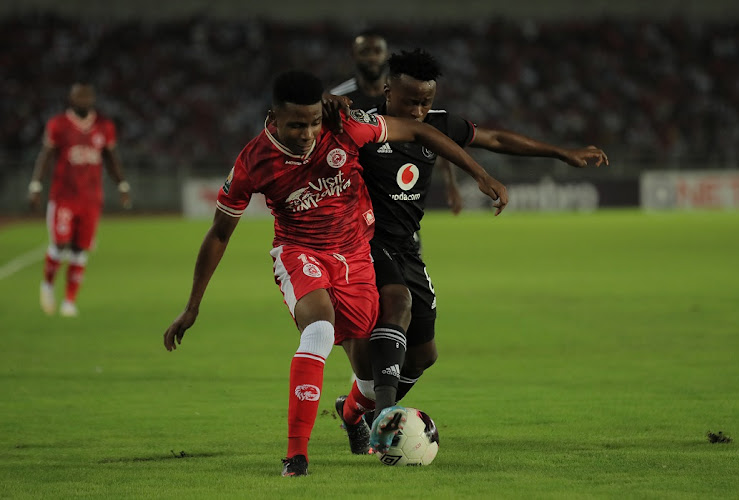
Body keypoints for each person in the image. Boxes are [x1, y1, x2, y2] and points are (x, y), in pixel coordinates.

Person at [162, 70, 508, 477]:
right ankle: (296, 455)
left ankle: (350, 412)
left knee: (366, 373)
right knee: (320, 329)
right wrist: (192, 306)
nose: (307, 132)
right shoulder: (253, 162)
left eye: (312, 121)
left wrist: (480, 174)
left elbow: (416, 130)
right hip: (300, 253)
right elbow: (220, 233)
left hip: (356, 257)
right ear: (273, 116)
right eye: (296, 124)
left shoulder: (345, 126)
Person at [337, 49, 609, 453]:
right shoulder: (363, 125)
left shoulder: (438, 124)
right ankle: (385, 422)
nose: (418, 110)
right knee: (397, 303)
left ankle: (353, 410)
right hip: (363, 241)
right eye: (410, 101)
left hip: (407, 247)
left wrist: (559, 152)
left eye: (425, 101)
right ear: (389, 90)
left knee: (423, 356)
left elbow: (495, 139)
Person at [330, 31, 463, 216]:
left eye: (377, 51)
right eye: (365, 51)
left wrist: (451, 184)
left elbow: (434, 135)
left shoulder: (405, 92)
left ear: (386, 55)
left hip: (402, 191)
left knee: (406, 238)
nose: (372, 57)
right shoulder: (339, 98)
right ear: (354, 55)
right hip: (356, 195)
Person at [29, 82, 131, 317]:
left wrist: (122, 185)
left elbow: (111, 157)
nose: (84, 101)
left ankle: (69, 301)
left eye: (87, 97)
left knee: (79, 249)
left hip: (91, 199)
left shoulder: (104, 126)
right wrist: (36, 185)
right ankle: (47, 285)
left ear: (93, 99)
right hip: (63, 196)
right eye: (79, 97)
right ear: (71, 100)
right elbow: (46, 155)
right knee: (60, 244)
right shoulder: (59, 125)